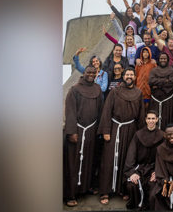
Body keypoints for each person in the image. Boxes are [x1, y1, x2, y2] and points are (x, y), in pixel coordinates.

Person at [97, 67, 145, 205]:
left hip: (130, 129)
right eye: (127, 74)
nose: (129, 76)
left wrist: (140, 134)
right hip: (114, 128)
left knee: (126, 159)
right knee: (108, 159)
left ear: (135, 77)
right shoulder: (115, 91)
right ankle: (105, 191)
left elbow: (141, 114)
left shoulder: (138, 93)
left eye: (131, 74)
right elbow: (106, 111)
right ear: (123, 76)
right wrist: (106, 131)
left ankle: (122, 189)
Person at [63, 66, 103, 207]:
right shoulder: (74, 90)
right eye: (89, 72)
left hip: (91, 131)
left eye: (93, 72)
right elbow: (70, 112)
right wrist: (72, 131)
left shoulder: (98, 89)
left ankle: (84, 188)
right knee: (73, 163)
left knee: (88, 160)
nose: (91, 74)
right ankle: (70, 194)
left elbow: (100, 111)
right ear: (84, 73)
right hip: (78, 131)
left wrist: (99, 130)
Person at [123, 110, 165, 210]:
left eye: (153, 118)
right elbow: (131, 154)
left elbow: (164, 157)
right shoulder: (138, 135)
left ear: (157, 119)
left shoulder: (162, 135)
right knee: (132, 185)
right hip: (139, 169)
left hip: (154, 169)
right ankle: (138, 206)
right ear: (145, 120)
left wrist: (157, 172)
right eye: (149, 118)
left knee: (153, 186)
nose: (151, 121)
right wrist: (132, 172)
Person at [148, 53, 173, 130]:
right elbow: (151, 81)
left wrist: (157, 84)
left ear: (167, 60)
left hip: (167, 99)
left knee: (166, 119)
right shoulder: (154, 70)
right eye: (161, 58)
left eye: (164, 58)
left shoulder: (171, 70)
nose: (163, 60)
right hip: (155, 99)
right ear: (159, 59)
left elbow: (172, 83)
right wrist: (165, 80)